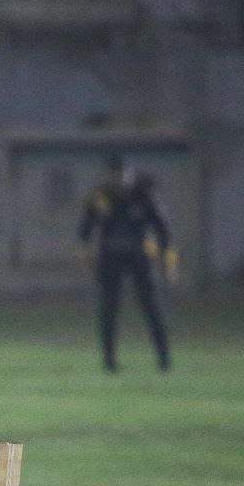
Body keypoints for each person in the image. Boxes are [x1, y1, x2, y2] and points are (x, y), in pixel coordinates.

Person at [78, 157, 177, 372]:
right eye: (115, 175)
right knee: (109, 308)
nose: (119, 179)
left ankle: (164, 359)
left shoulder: (144, 196)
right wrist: (87, 262)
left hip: (139, 256)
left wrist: (169, 264)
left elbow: (164, 232)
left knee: (151, 306)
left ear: (130, 174)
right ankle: (109, 361)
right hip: (111, 257)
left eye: (123, 174)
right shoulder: (101, 197)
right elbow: (85, 232)